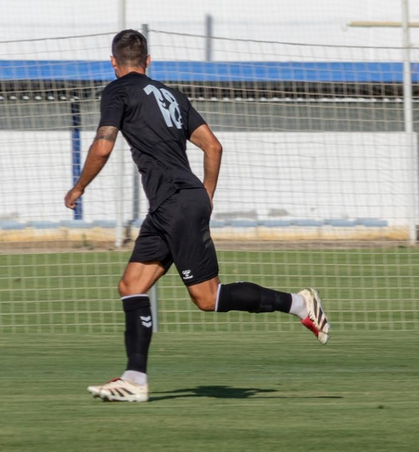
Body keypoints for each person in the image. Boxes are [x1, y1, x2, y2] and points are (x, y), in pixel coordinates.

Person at [63, 29, 329, 403]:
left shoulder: (116, 91)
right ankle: (134, 380)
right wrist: (205, 195)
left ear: (113, 63)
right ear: (148, 62)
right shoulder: (171, 94)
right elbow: (213, 146)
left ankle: (299, 303)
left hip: (175, 203)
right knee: (131, 286)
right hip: (172, 205)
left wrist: (79, 187)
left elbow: (103, 145)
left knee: (208, 297)